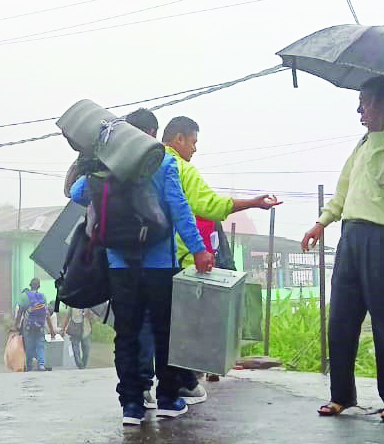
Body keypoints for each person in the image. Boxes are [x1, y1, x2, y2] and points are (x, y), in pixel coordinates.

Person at [70, 122, 213, 426]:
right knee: (165, 332)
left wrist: (92, 162)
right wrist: (199, 249)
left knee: (128, 334)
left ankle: (132, 405)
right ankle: (168, 400)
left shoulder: (108, 165)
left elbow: (77, 192)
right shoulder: (163, 161)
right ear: (150, 134)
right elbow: (179, 206)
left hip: (121, 265)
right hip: (160, 264)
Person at [138, 116, 281, 406]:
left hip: (136, 259)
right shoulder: (178, 167)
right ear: (178, 139)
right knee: (179, 327)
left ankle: (137, 390)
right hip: (175, 260)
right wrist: (253, 202)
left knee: (142, 325)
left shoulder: (140, 165)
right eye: (193, 142)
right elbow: (208, 206)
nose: (194, 149)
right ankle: (181, 387)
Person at [301, 76, 384, 423]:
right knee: (341, 319)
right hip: (351, 236)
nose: (359, 110)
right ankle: (341, 395)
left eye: (365, 102)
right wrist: (322, 222)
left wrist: (380, 136)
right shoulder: (363, 143)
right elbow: (344, 188)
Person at [14, 278, 57, 371]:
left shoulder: (25, 297)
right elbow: (47, 315)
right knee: (40, 346)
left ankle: (29, 366)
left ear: (30, 285)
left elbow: (20, 313)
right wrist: (52, 330)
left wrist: (16, 325)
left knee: (29, 346)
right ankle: (41, 364)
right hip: (40, 326)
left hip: (28, 327)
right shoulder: (43, 297)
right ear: (39, 286)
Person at [60, 303, 96, 369]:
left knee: (86, 350)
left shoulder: (90, 306)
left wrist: (89, 314)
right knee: (75, 349)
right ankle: (79, 364)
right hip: (74, 330)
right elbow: (67, 317)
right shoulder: (72, 306)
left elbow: (93, 319)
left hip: (86, 330)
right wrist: (63, 329)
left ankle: (83, 364)